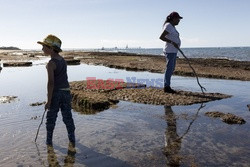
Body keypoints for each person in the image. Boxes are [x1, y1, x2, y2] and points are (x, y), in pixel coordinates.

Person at [37, 34, 75, 146]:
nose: (42, 48)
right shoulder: (63, 60)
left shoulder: (51, 63)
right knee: (67, 116)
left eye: (44, 46)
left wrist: (48, 101)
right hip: (66, 91)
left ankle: (49, 142)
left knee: (51, 117)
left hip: (56, 93)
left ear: (51, 49)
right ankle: (72, 139)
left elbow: (51, 83)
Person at [160, 11, 183, 93]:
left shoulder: (172, 26)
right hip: (170, 51)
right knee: (169, 68)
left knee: (171, 68)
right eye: (178, 19)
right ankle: (166, 87)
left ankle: (167, 85)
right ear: (173, 19)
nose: (179, 20)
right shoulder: (168, 26)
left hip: (173, 51)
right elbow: (162, 37)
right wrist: (172, 42)